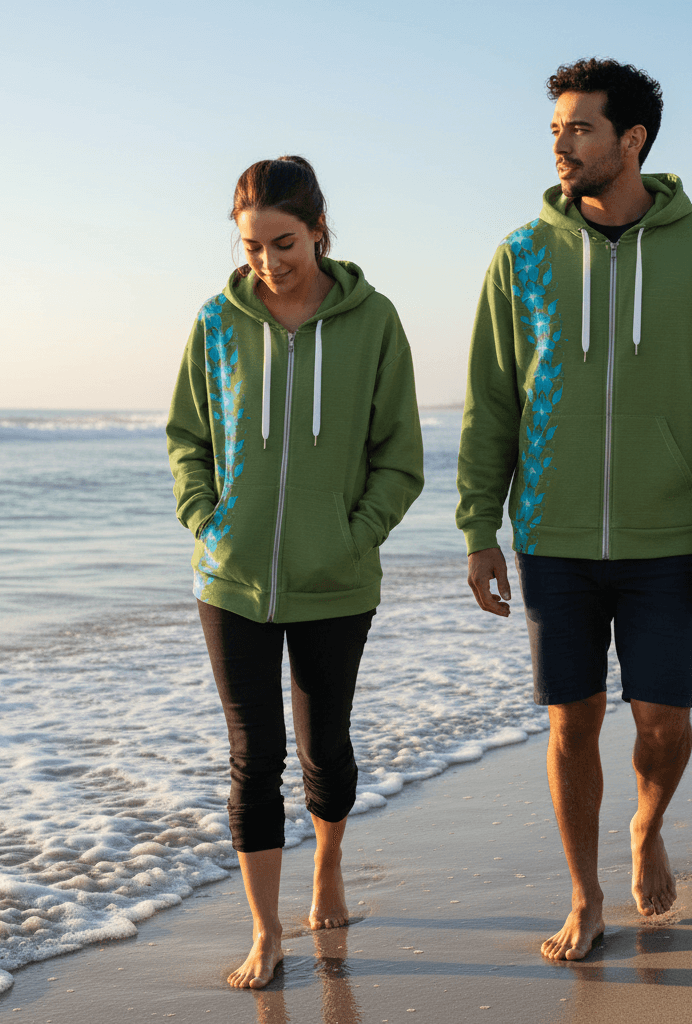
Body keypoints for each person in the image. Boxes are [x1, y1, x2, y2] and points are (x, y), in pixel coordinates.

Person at [456, 59, 692, 962]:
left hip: (668, 535)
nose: (561, 144)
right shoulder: (519, 256)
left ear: (631, 141)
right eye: (555, 128)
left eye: (581, 128)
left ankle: (648, 824)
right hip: (552, 534)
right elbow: (491, 403)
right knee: (571, 720)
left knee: (662, 721)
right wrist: (480, 526)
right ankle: (585, 896)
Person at [167, 156, 424, 989]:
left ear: (318, 228)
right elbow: (187, 441)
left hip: (334, 582)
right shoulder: (217, 321)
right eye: (252, 248)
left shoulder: (373, 321)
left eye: (284, 243)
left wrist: (355, 536)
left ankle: (329, 861)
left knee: (326, 749)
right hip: (230, 581)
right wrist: (209, 523)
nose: (269, 263)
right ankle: (265, 932)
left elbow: (399, 458)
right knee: (253, 755)